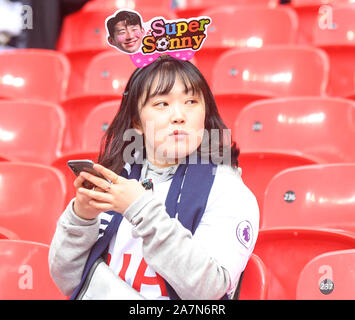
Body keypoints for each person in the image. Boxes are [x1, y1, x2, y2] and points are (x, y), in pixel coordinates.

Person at [49, 55, 259, 300]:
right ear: (137, 121)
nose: (179, 115)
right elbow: (69, 281)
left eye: (191, 101)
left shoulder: (228, 190)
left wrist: (140, 209)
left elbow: (209, 290)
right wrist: (81, 218)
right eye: (162, 103)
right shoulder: (119, 176)